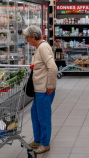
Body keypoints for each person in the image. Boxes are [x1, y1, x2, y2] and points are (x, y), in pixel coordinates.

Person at [24, 25, 57, 154]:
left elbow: (53, 68)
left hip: (44, 89)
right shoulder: (38, 48)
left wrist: (50, 86)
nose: (27, 41)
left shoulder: (43, 48)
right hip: (39, 89)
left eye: (27, 38)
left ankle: (45, 143)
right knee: (35, 114)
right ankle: (37, 140)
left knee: (44, 117)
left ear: (33, 36)